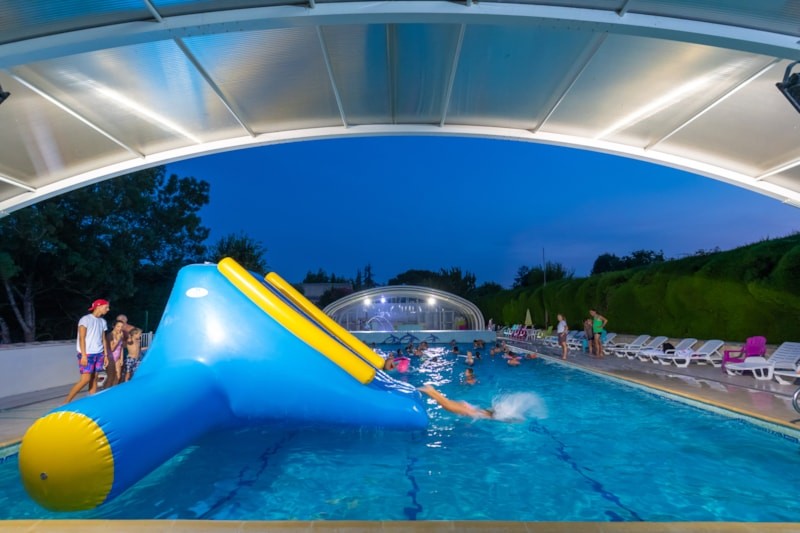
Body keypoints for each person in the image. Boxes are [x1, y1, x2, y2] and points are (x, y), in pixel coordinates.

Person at [65, 299, 111, 403]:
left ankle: (91, 400)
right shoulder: (85, 319)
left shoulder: (103, 321)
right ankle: (66, 402)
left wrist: (106, 355)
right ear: (98, 307)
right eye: (106, 307)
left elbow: (103, 339)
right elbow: (82, 338)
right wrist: (84, 355)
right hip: (87, 354)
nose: (108, 309)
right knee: (85, 379)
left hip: (99, 353)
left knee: (95, 378)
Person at [418, 385, 493, 419]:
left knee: (446, 402)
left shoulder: (484, 412)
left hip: (467, 406)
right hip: (467, 410)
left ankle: (431, 390)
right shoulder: (486, 416)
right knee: (446, 405)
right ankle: (429, 391)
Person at [105, 319, 126, 388]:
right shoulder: (110, 335)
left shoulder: (121, 334)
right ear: (113, 326)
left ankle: (113, 391)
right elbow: (112, 348)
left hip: (117, 358)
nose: (120, 328)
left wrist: (121, 359)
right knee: (110, 377)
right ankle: (106, 391)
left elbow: (121, 347)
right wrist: (118, 339)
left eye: (121, 327)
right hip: (110, 358)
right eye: (118, 326)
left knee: (118, 376)